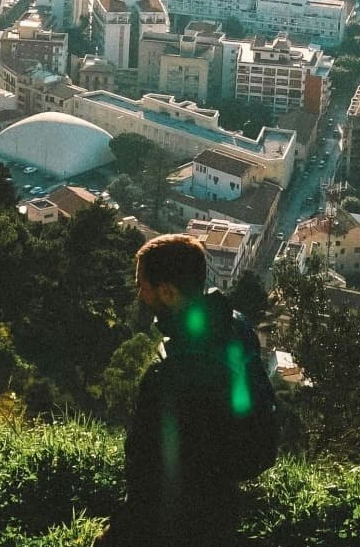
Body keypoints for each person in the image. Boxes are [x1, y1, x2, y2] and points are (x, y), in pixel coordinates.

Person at [99, 233, 276, 547]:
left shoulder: (166, 375)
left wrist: (118, 532)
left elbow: (144, 471)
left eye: (142, 285)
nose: (139, 293)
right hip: (224, 503)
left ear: (167, 292)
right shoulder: (239, 326)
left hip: (175, 518)